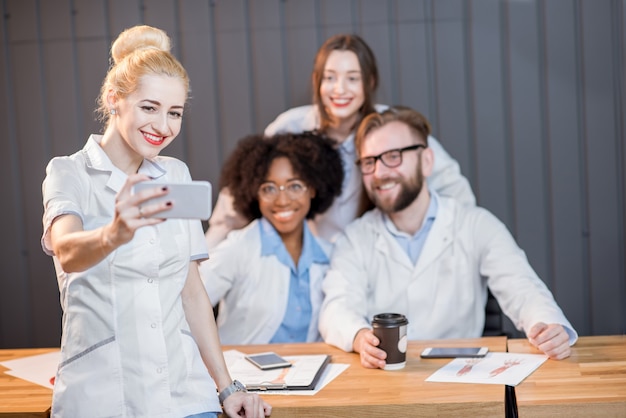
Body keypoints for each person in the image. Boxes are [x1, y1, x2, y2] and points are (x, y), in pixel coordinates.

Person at [40, 25, 270, 418]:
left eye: (174, 113)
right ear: (115, 100)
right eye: (149, 107)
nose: (163, 127)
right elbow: (67, 251)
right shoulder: (69, 172)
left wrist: (227, 388)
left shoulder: (174, 173)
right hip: (101, 398)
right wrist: (114, 233)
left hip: (182, 395)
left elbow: (192, 290)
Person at [318, 106, 578, 369]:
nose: (379, 173)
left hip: (462, 375)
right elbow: (336, 308)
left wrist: (548, 327)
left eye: (393, 156)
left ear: (427, 161)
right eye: (369, 162)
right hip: (388, 379)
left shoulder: (475, 224)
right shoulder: (355, 238)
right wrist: (360, 336)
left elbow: (522, 287)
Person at [205, 33, 475, 248]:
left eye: (352, 79)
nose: (340, 90)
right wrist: (204, 259)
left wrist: (452, 247)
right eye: (330, 78)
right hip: (308, 260)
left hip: (374, 258)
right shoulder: (290, 127)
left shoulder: (389, 127)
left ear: (370, 82)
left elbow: (454, 189)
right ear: (317, 82)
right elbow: (235, 201)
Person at [199, 132, 343, 345]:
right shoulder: (238, 248)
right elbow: (186, 307)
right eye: (269, 188)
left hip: (310, 374)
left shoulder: (330, 255)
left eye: (295, 186)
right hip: (243, 374)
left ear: (312, 189)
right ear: (254, 193)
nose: (282, 200)